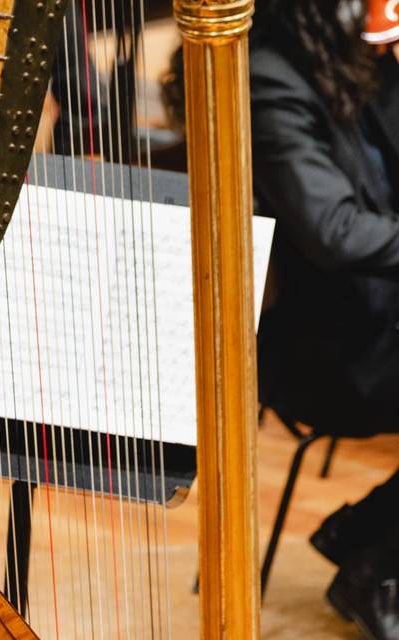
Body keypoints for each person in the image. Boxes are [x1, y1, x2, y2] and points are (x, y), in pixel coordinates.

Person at [250, 0, 399, 637]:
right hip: (333, 344)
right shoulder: (268, 74)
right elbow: (332, 231)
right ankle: (376, 570)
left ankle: (365, 532)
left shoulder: (355, 50)